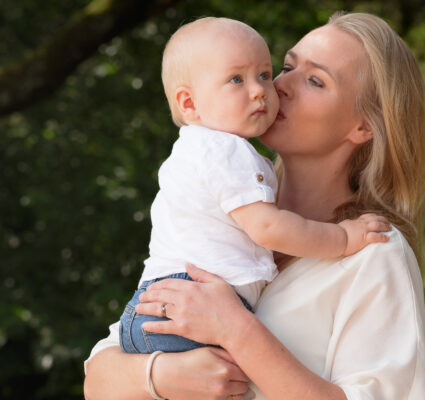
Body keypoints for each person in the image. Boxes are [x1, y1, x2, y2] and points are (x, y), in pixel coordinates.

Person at [84, 10, 425, 400]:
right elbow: (97, 378)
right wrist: (160, 374)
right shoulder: (219, 214)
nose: (279, 85)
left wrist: (236, 330)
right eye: (286, 66)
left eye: (315, 80)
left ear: (363, 126)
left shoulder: (373, 253)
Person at [119, 17, 391, 354]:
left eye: (264, 74)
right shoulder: (226, 151)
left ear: (364, 126)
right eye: (236, 79)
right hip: (181, 301)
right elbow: (268, 228)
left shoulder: (207, 151)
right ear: (189, 103)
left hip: (158, 304)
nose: (265, 89)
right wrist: (344, 238)